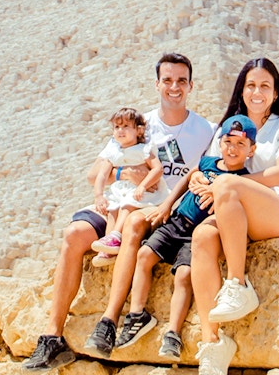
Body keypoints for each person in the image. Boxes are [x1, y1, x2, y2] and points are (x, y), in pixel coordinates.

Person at [23, 54, 214, 372]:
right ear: (156, 84)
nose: (174, 87)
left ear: (191, 85)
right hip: (123, 198)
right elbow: (94, 174)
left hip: (163, 209)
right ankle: (52, 337)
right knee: (74, 234)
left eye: (181, 80)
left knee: (131, 224)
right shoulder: (139, 124)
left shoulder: (207, 130)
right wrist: (128, 174)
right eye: (167, 80)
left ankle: (109, 321)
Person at [83, 115, 256, 361]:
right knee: (144, 254)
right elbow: (186, 179)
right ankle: (136, 315)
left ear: (251, 150)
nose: (232, 149)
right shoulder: (207, 162)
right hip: (177, 220)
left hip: (196, 234)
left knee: (184, 274)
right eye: (228, 142)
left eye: (241, 144)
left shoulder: (243, 181)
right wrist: (167, 204)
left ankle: (173, 333)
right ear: (220, 142)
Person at [188, 57, 279, 375]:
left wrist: (228, 185)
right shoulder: (228, 127)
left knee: (228, 185)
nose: (257, 92)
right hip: (238, 213)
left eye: (265, 86)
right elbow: (210, 166)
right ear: (242, 90)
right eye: (251, 85)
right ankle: (213, 345)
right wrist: (199, 178)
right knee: (202, 236)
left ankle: (238, 284)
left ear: (276, 93)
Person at [87, 107, 166, 267]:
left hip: (138, 191)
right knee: (112, 209)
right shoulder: (112, 152)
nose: (120, 130)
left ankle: (116, 235)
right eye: (117, 127)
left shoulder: (143, 149)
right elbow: (101, 175)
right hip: (120, 191)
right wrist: (99, 195)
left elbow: (157, 169)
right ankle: (108, 246)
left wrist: (143, 185)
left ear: (139, 130)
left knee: (126, 205)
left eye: (125, 126)